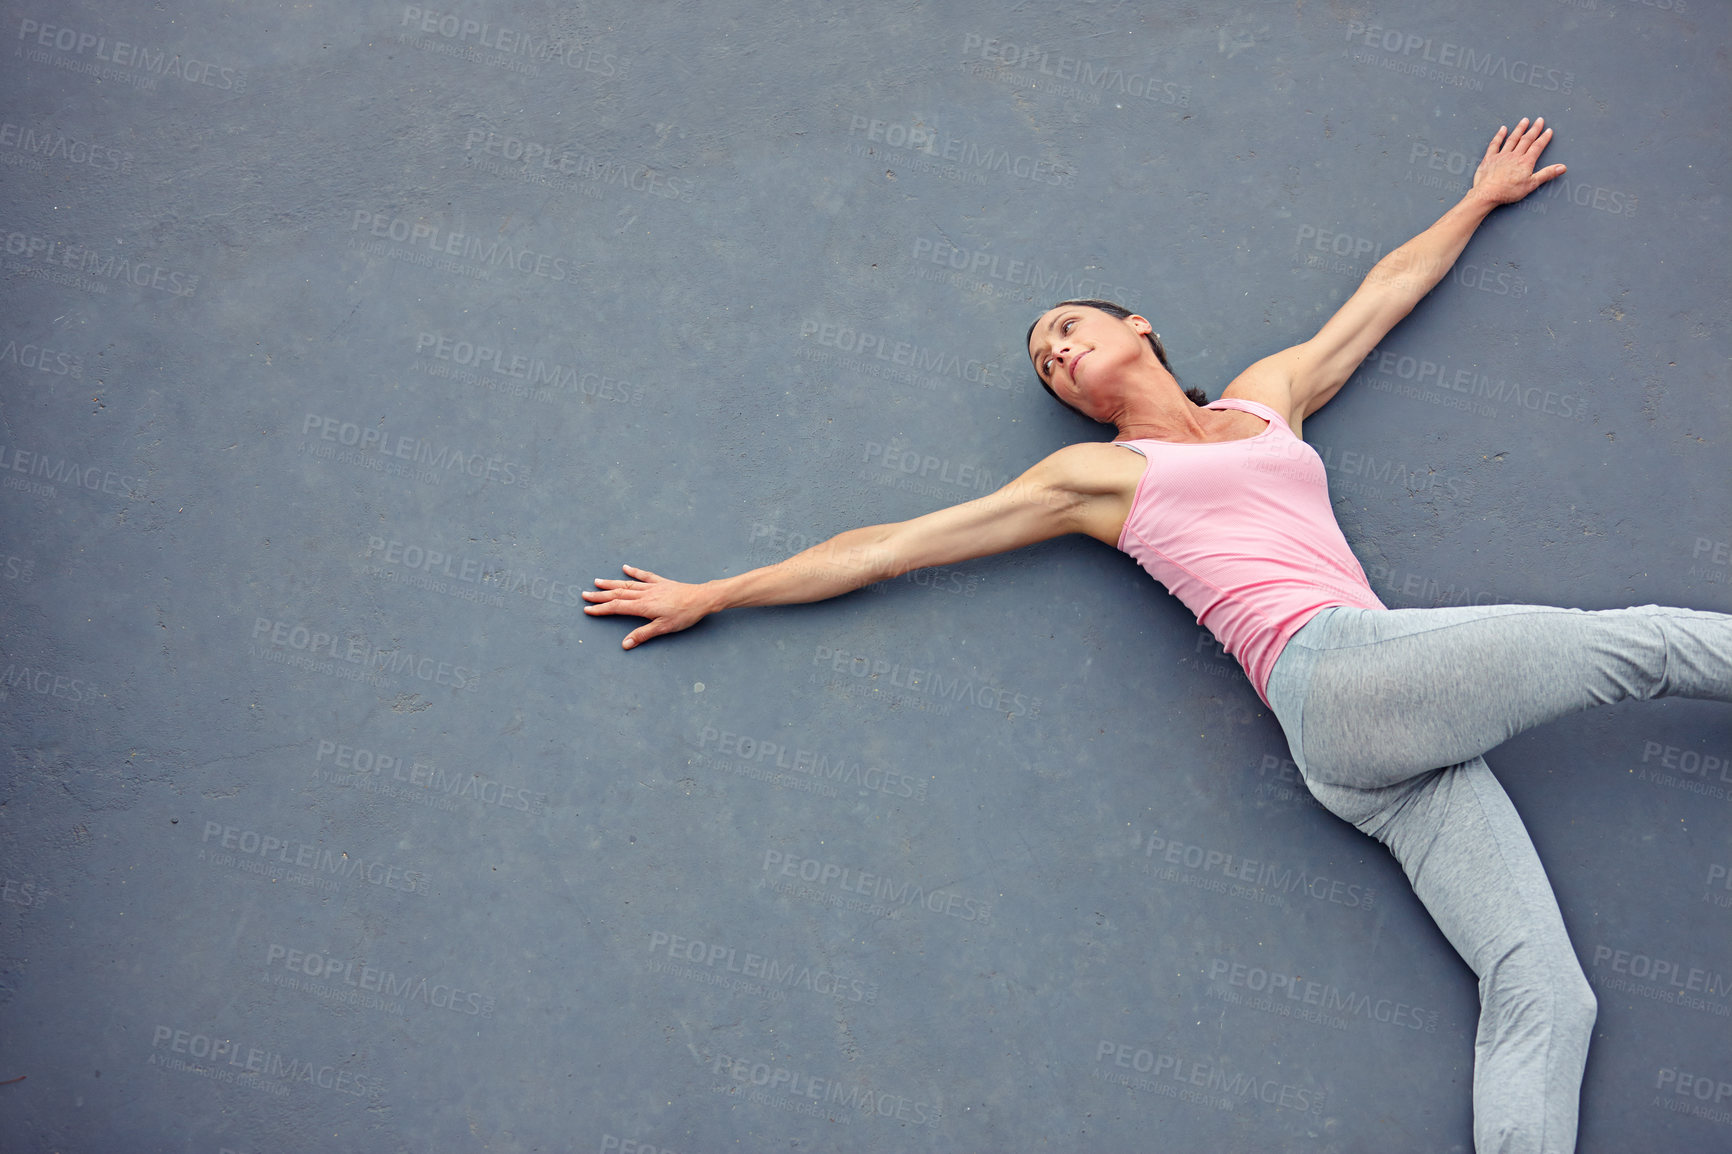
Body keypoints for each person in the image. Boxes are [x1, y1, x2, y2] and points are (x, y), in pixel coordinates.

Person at [582, 118, 1731, 1154]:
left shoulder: (1266, 397)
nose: (1060, 353)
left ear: (1137, 327)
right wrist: (715, 591)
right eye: (1047, 362)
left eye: (1069, 329)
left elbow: (1381, 294)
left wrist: (1477, 201)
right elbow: (888, 544)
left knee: (1542, 987)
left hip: (1369, 757)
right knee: (1634, 644)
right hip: (1329, 672)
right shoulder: (1099, 474)